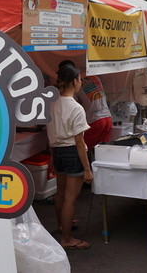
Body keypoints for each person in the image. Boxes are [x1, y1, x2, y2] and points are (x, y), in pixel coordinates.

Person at [47, 63, 93, 250]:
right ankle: (67, 239)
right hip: (72, 153)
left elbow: (49, 134)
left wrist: (52, 156)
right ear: (74, 81)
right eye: (80, 79)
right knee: (70, 198)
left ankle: (62, 226)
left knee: (60, 194)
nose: (80, 82)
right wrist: (87, 169)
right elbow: (79, 142)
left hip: (57, 151)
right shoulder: (76, 108)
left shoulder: (52, 104)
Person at [59, 60, 112, 151]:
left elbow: (72, 105)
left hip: (94, 121)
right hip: (108, 118)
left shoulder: (74, 83)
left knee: (85, 150)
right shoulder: (93, 75)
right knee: (101, 152)